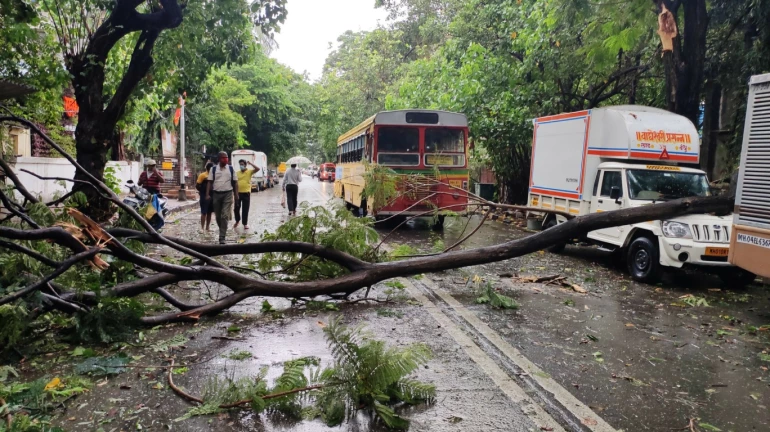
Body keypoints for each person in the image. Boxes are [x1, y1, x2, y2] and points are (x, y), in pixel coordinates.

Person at [206, 151, 238, 244]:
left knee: (224, 215)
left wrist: (236, 195)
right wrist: (207, 194)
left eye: (227, 157)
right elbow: (210, 182)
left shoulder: (231, 169)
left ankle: (222, 237)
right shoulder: (214, 169)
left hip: (228, 193)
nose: (226, 159)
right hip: (216, 194)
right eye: (224, 158)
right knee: (218, 216)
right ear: (219, 159)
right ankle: (222, 229)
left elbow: (235, 182)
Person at [234, 160, 260, 230]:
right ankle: (237, 220)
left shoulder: (249, 172)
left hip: (246, 193)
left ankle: (245, 223)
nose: (241, 166)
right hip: (238, 193)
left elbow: (258, 169)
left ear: (245, 165)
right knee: (236, 208)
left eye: (242, 164)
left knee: (245, 209)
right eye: (240, 164)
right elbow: (234, 182)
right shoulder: (237, 173)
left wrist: (251, 163)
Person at [196, 162, 214, 231]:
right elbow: (197, 185)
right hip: (204, 195)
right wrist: (201, 192)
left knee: (209, 212)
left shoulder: (214, 175)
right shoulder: (203, 175)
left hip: (212, 195)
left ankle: (207, 227)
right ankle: (202, 228)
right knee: (204, 212)